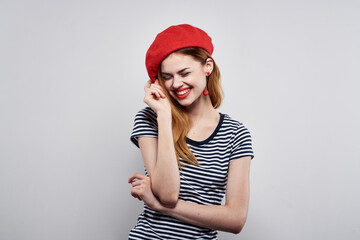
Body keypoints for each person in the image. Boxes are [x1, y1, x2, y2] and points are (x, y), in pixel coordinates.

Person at [128, 24, 254, 239]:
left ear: (207, 66)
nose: (176, 84)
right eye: (167, 77)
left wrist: (159, 205)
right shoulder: (150, 119)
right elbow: (168, 194)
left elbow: (236, 219)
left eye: (184, 72)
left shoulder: (236, 134)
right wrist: (165, 116)